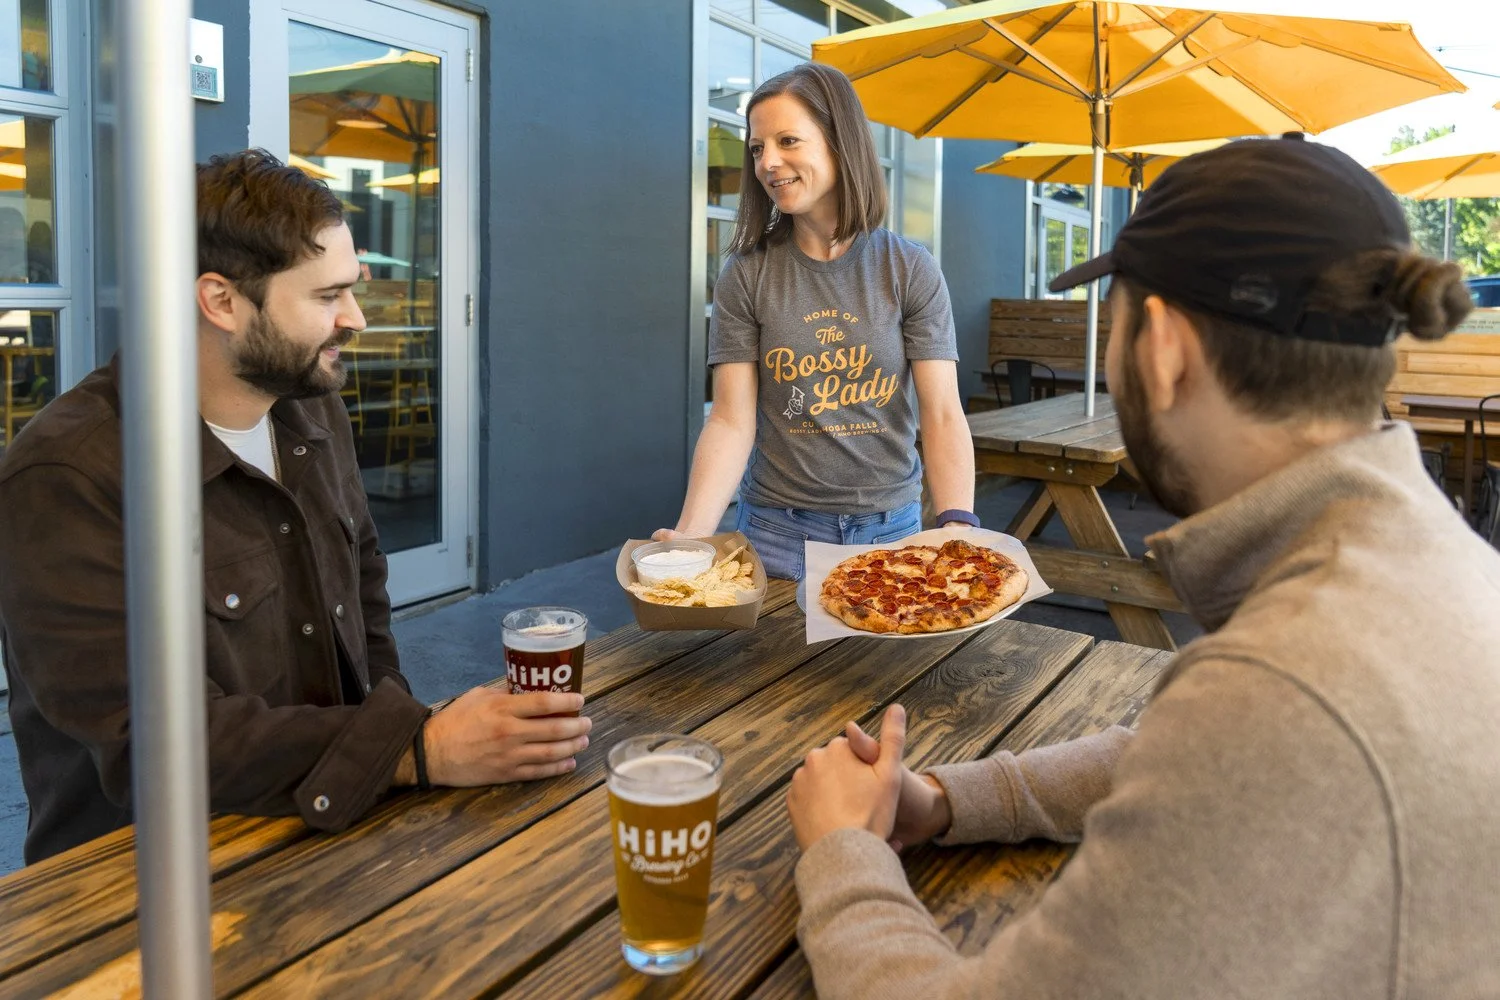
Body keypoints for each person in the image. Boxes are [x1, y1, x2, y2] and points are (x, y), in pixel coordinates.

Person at [783, 137, 1500, 997]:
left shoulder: (1282, 682)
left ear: (1161, 348)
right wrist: (945, 799)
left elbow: (1247, 725)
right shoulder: (1424, 565)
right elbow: (1192, 751)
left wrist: (842, 853)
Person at [0, 150, 591, 864]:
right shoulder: (67, 474)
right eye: (325, 297)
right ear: (221, 301)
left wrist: (391, 752)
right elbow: (145, 744)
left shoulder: (310, 410)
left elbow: (364, 588)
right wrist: (416, 748)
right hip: (143, 886)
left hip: (331, 831)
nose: (356, 320)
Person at [654, 63, 975, 579]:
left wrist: (958, 520)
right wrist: (693, 533)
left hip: (891, 535)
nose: (768, 163)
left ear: (839, 143)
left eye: (787, 141)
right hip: (777, 534)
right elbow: (731, 419)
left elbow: (940, 413)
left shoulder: (909, 268)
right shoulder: (746, 272)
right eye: (758, 148)